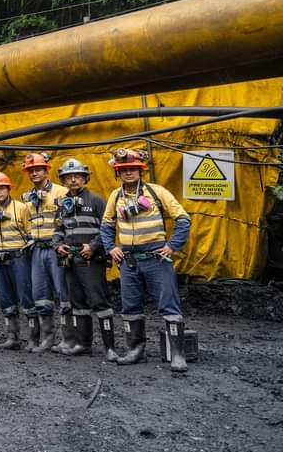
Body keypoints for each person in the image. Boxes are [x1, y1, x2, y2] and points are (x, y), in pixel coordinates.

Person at [101, 148, 191, 372]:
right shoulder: (115, 196)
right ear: (117, 173)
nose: (128, 173)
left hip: (156, 257)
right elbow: (106, 225)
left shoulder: (156, 192)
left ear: (141, 170)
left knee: (169, 304)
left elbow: (183, 219)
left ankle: (178, 354)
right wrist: (111, 247)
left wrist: (172, 246)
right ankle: (136, 350)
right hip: (129, 260)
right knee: (130, 306)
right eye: (123, 170)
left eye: (132, 169)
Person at [52, 158, 115, 360]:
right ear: (63, 180)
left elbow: (108, 228)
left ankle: (110, 348)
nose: (72, 180)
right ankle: (83, 344)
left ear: (85, 178)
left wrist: (94, 246)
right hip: (70, 259)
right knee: (77, 302)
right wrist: (58, 245)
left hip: (91, 259)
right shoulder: (62, 204)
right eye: (68, 177)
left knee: (99, 302)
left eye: (77, 176)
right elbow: (57, 229)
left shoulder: (96, 200)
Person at [22, 152, 71, 354]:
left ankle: (68, 338)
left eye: (38, 169)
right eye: (31, 170)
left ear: (46, 170)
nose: (34, 173)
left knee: (63, 292)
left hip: (56, 248)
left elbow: (69, 221)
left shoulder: (62, 192)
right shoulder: (26, 197)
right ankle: (48, 338)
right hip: (37, 249)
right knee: (40, 295)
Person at [0, 172, 34, 350]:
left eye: (1, 188)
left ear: (8, 189)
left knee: (26, 297)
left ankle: (33, 339)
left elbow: (31, 234)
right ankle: (12, 337)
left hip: (18, 257)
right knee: (5, 298)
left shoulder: (21, 208)